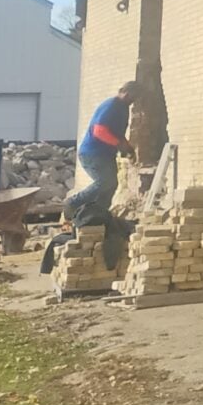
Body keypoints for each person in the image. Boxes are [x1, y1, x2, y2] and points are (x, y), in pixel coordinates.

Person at [65, 80, 138, 266]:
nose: (132, 100)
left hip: (105, 154)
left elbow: (117, 133)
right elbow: (99, 131)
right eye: (131, 96)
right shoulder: (112, 105)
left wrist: (128, 148)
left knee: (111, 185)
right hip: (92, 153)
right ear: (124, 92)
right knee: (105, 182)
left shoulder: (123, 109)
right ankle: (73, 203)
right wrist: (118, 144)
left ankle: (96, 217)